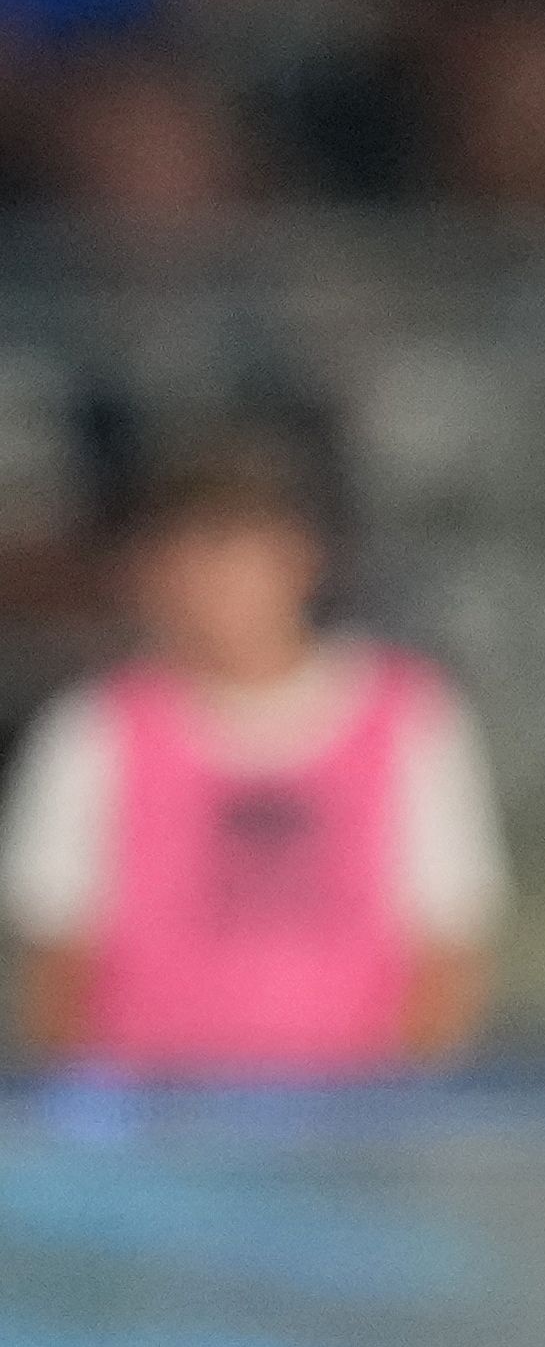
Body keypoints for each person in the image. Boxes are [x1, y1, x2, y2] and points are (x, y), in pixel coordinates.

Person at [4, 437, 505, 1079]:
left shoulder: (410, 716)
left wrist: (392, 1107)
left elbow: (449, 954)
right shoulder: (93, 731)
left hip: (356, 1117)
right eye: (189, 565)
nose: (214, 592)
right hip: (152, 1119)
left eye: (235, 558)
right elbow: (56, 967)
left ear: (300, 559)